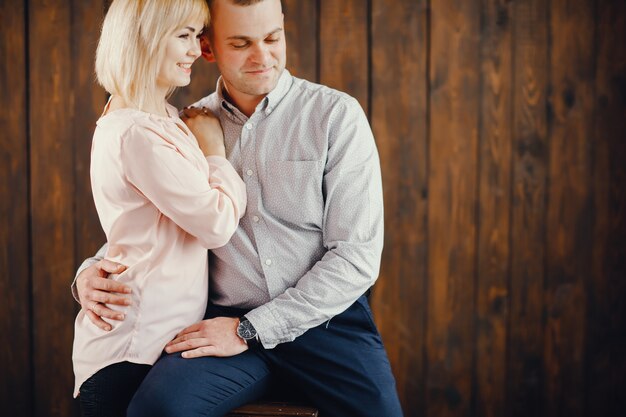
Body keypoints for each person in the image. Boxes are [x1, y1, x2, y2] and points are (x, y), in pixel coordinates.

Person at [73, 0, 403, 416]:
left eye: (272, 38)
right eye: (242, 43)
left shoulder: (335, 115)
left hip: (326, 325)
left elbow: (356, 256)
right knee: (158, 408)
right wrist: (89, 272)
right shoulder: (188, 126)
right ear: (208, 48)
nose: (263, 56)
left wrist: (251, 330)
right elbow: (152, 224)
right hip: (221, 324)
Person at [71, 0, 246, 416]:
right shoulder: (136, 132)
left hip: (155, 346)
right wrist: (216, 153)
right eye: (183, 35)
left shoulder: (161, 118)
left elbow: (144, 231)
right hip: (130, 349)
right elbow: (217, 224)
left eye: (197, 35)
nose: (194, 50)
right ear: (145, 38)